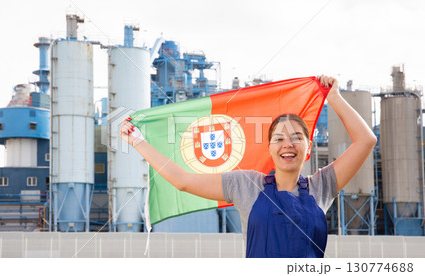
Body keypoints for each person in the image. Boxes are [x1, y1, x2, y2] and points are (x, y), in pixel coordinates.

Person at [120, 75, 377, 258]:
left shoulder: (322, 186)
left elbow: (367, 140)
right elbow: (183, 181)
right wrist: (138, 141)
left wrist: (334, 97)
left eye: (297, 137)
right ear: (269, 149)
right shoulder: (246, 184)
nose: (288, 144)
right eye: (279, 138)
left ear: (308, 148)